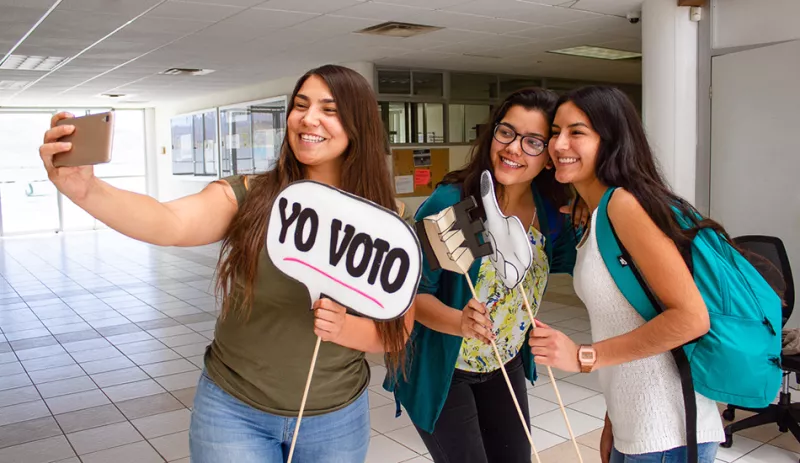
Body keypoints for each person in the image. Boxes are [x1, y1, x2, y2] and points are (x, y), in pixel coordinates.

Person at [39, 64, 415, 463]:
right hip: (234, 412)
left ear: (359, 125)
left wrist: (343, 328)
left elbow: (395, 334)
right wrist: (87, 190)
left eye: (329, 109)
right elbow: (169, 222)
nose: (308, 118)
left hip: (335, 419)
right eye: (301, 105)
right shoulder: (251, 195)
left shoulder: (386, 225)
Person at [384, 88, 581, 463]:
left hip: (505, 362)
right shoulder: (457, 203)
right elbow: (412, 293)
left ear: (550, 155)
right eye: (506, 132)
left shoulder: (550, 209)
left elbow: (578, 264)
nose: (513, 148)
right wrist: (459, 321)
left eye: (533, 142)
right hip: (446, 368)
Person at [531, 85, 724, 463]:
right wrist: (614, 418)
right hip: (637, 425)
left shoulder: (625, 204)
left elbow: (691, 318)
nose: (559, 144)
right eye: (555, 132)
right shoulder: (599, 211)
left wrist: (583, 356)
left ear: (611, 141)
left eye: (577, 132)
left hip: (668, 433)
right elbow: (628, 320)